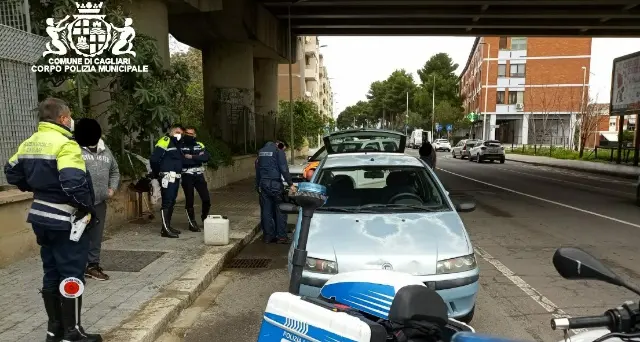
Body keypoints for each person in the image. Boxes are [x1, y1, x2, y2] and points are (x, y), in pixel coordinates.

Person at [4, 98, 102, 341]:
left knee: (51, 272)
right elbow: (72, 182)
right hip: (66, 219)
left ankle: (54, 331)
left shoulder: (29, 143)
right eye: (69, 117)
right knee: (71, 273)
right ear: (62, 119)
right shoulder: (66, 145)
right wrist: (86, 207)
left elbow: (11, 171)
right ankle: (73, 333)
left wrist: (38, 187)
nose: (71, 121)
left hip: (40, 217)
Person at [77, 118, 120, 281]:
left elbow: (115, 171)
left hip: (100, 202)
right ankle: (75, 267)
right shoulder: (74, 149)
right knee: (77, 235)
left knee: (96, 236)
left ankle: (92, 266)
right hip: (79, 203)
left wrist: (112, 189)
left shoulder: (105, 149)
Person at [255, 139, 296, 244]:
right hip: (275, 185)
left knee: (266, 210)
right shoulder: (278, 151)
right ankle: (281, 236)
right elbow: (284, 168)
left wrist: (257, 185)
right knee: (280, 209)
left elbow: (258, 169)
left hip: (264, 185)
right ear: (279, 144)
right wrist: (291, 184)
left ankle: (268, 236)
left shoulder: (261, 151)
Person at [150, 124, 185, 238]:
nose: (180, 135)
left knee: (171, 202)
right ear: (172, 132)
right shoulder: (165, 140)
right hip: (167, 177)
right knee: (167, 202)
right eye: (178, 132)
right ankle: (165, 229)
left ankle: (167, 226)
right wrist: (157, 174)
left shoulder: (178, 144)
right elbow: (154, 159)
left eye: (181, 133)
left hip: (176, 178)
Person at [180, 126, 211, 232]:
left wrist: (192, 157)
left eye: (191, 134)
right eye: (187, 134)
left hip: (199, 175)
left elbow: (206, 158)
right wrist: (198, 157)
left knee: (206, 199)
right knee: (190, 200)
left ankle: (204, 217)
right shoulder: (181, 145)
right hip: (186, 175)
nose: (188, 136)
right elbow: (182, 161)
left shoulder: (200, 145)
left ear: (195, 135)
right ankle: (191, 222)